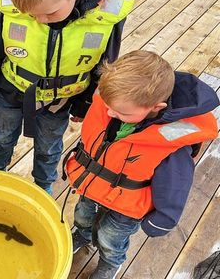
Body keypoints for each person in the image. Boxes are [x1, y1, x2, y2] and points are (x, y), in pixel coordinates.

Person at [0, 0, 135, 195]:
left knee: (49, 146)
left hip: (60, 101)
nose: (39, 20)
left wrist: (83, 104)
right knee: (2, 136)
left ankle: (43, 185)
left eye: (48, 13)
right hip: (11, 90)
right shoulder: (18, 3)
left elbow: (104, 67)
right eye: (31, 15)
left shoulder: (106, 16)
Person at [63, 51, 219, 278]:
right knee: (83, 214)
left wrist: (163, 219)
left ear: (156, 106)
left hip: (127, 204)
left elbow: (175, 184)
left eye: (120, 112)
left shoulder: (171, 144)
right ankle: (83, 233)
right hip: (93, 184)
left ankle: (111, 262)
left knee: (111, 236)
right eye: (108, 106)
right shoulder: (115, 105)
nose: (109, 113)